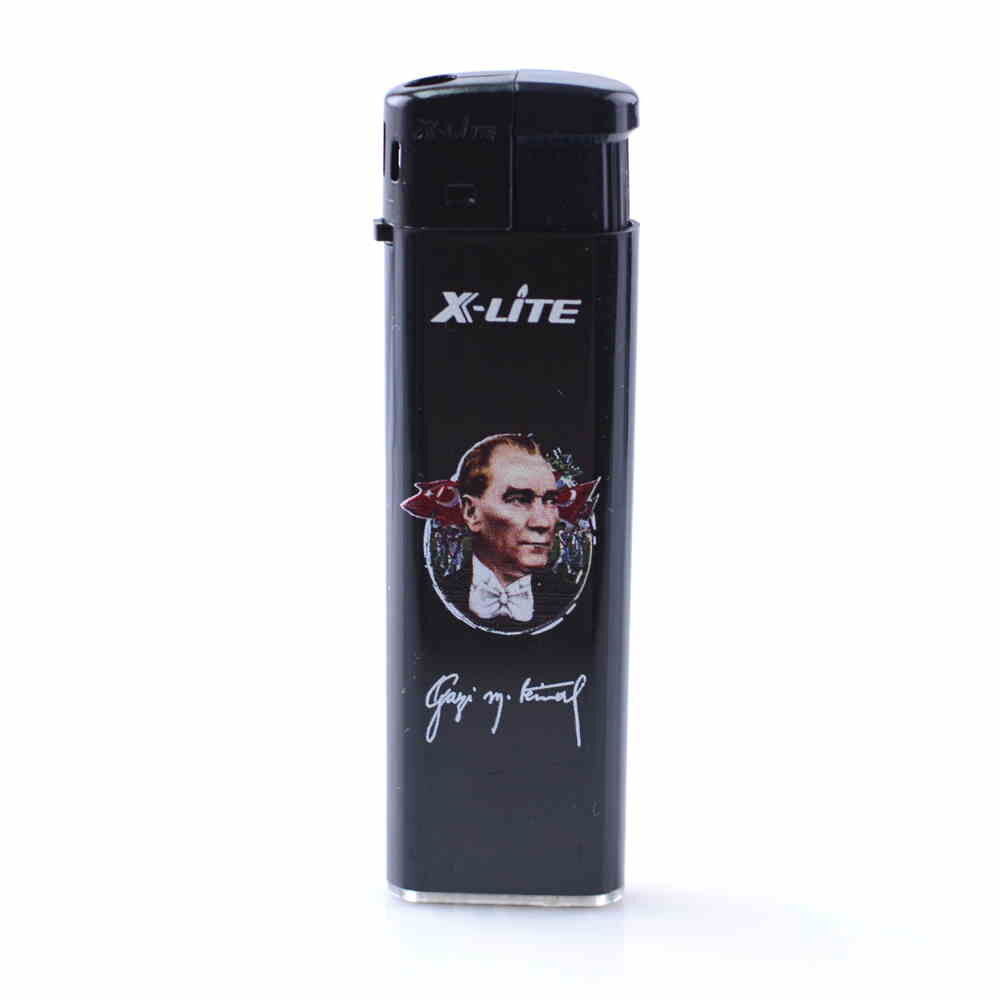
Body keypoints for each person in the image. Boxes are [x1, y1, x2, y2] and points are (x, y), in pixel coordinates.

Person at [438, 434, 579, 631]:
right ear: (471, 512)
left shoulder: (568, 598)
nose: (543, 522)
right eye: (519, 499)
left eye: (551, 501)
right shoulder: (438, 595)